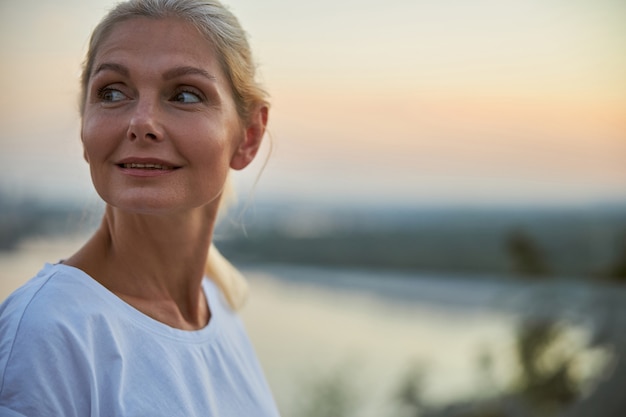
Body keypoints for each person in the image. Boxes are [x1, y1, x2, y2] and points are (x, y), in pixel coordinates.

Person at [0, 0, 280, 415]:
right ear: (85, 127)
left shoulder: (215, 305)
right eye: (112, 93)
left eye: (184, 94)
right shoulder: (48, 332)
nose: (141, 122)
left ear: (248, 137)